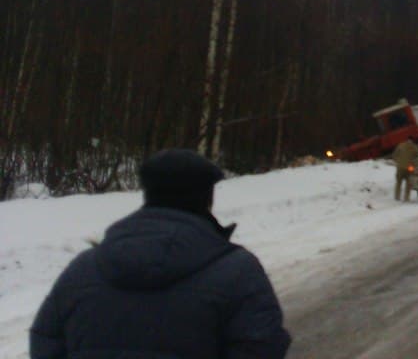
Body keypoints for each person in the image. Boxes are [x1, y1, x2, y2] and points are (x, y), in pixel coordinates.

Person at [30, 149, 290, 359]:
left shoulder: (84, 268)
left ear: (148, 193)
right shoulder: (239, 271)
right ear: (207, 198)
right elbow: (262, 347)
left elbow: (45, 340)